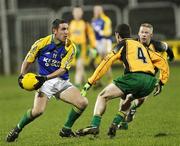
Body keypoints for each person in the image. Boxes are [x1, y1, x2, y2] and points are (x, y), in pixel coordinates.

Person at [75, 24, 169, 138]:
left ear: (117, 35)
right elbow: (162, 61)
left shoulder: (121, 44)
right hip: (150, 83)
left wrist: (90, 82)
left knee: (102, 96)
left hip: (134, 78)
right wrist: (161, 82)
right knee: (127, 99)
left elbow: (105, 63)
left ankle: (94, 125)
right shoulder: (141, 46)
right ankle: (116, 123)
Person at [6, 19, 88, 142]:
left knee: (82, 103)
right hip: (44, 83)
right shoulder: (41, 43)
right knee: (38, 111)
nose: (66, 32)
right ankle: (17, 129)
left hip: (60, 81)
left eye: (67, 29)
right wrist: (21, 76)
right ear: (54, 31)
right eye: (63, 29)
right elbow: (28, 60)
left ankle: (66, 130)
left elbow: (62, 70)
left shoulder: (70, 47)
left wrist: (45, 78)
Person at [118, 23, 174, 130]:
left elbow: (167, 48)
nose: (144, 35)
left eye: (146, 33)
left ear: (151, 35)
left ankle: (134, 108)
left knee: (141, 99)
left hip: (149, 76)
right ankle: (122, 122)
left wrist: (171, 57)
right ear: (138, 33)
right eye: (142, 32)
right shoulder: (132, 43)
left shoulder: (157, 45)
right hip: (132, 74)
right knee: (125, 97)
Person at [69, 7, 96, 87]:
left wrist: (93, 46)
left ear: (81, 13)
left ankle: (77, 83)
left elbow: (91, 35)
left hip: (82, 47)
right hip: (73, 47)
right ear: (73, 13)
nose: (77, 14)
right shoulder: (70, 23)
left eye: (79, 12)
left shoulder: (85, 23)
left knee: (79, 65)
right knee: (79, 65)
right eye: (76, 12)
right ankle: (85, 80)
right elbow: (67, 35)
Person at [91, 5, 113, 83]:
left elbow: (108, 32)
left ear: (101, 10)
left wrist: (101, 32)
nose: (96, 12)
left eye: (98, 10)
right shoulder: (93, 20)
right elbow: (92, 33)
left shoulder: (106, 19)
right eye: (95, 10)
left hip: (105, 41)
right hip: (97, 42)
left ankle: (110, 79)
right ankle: (99, 80)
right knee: (94, 60)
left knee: (105, 60)